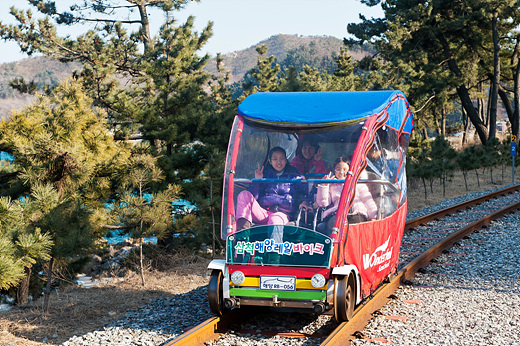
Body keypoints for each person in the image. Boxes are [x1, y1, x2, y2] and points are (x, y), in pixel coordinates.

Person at [235, 147, 307, 235]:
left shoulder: (294, 175)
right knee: (244, 194)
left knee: (275, 220)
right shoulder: (265, 175)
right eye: (275, 159)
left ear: (286, 160)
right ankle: (243, 237)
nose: (279, 162)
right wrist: (257, 181)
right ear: (270, 161)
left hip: (282, 213)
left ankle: (274, 248)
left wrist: (305, 201)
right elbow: (254, 197)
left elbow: (307, 191)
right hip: (264, 212)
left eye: (281, 159)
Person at [315, 157, 378, 236]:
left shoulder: (357, 183)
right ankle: (334, 245)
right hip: (337, 213)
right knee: (333, 225)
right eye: (338, 169)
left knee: (354, 227)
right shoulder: (331, 185)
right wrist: (324, 186)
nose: (341, 172)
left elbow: (367, 200)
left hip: (356, 213)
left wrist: (373, 216)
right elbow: (323, 203)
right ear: (334, 170)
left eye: (345, 170)